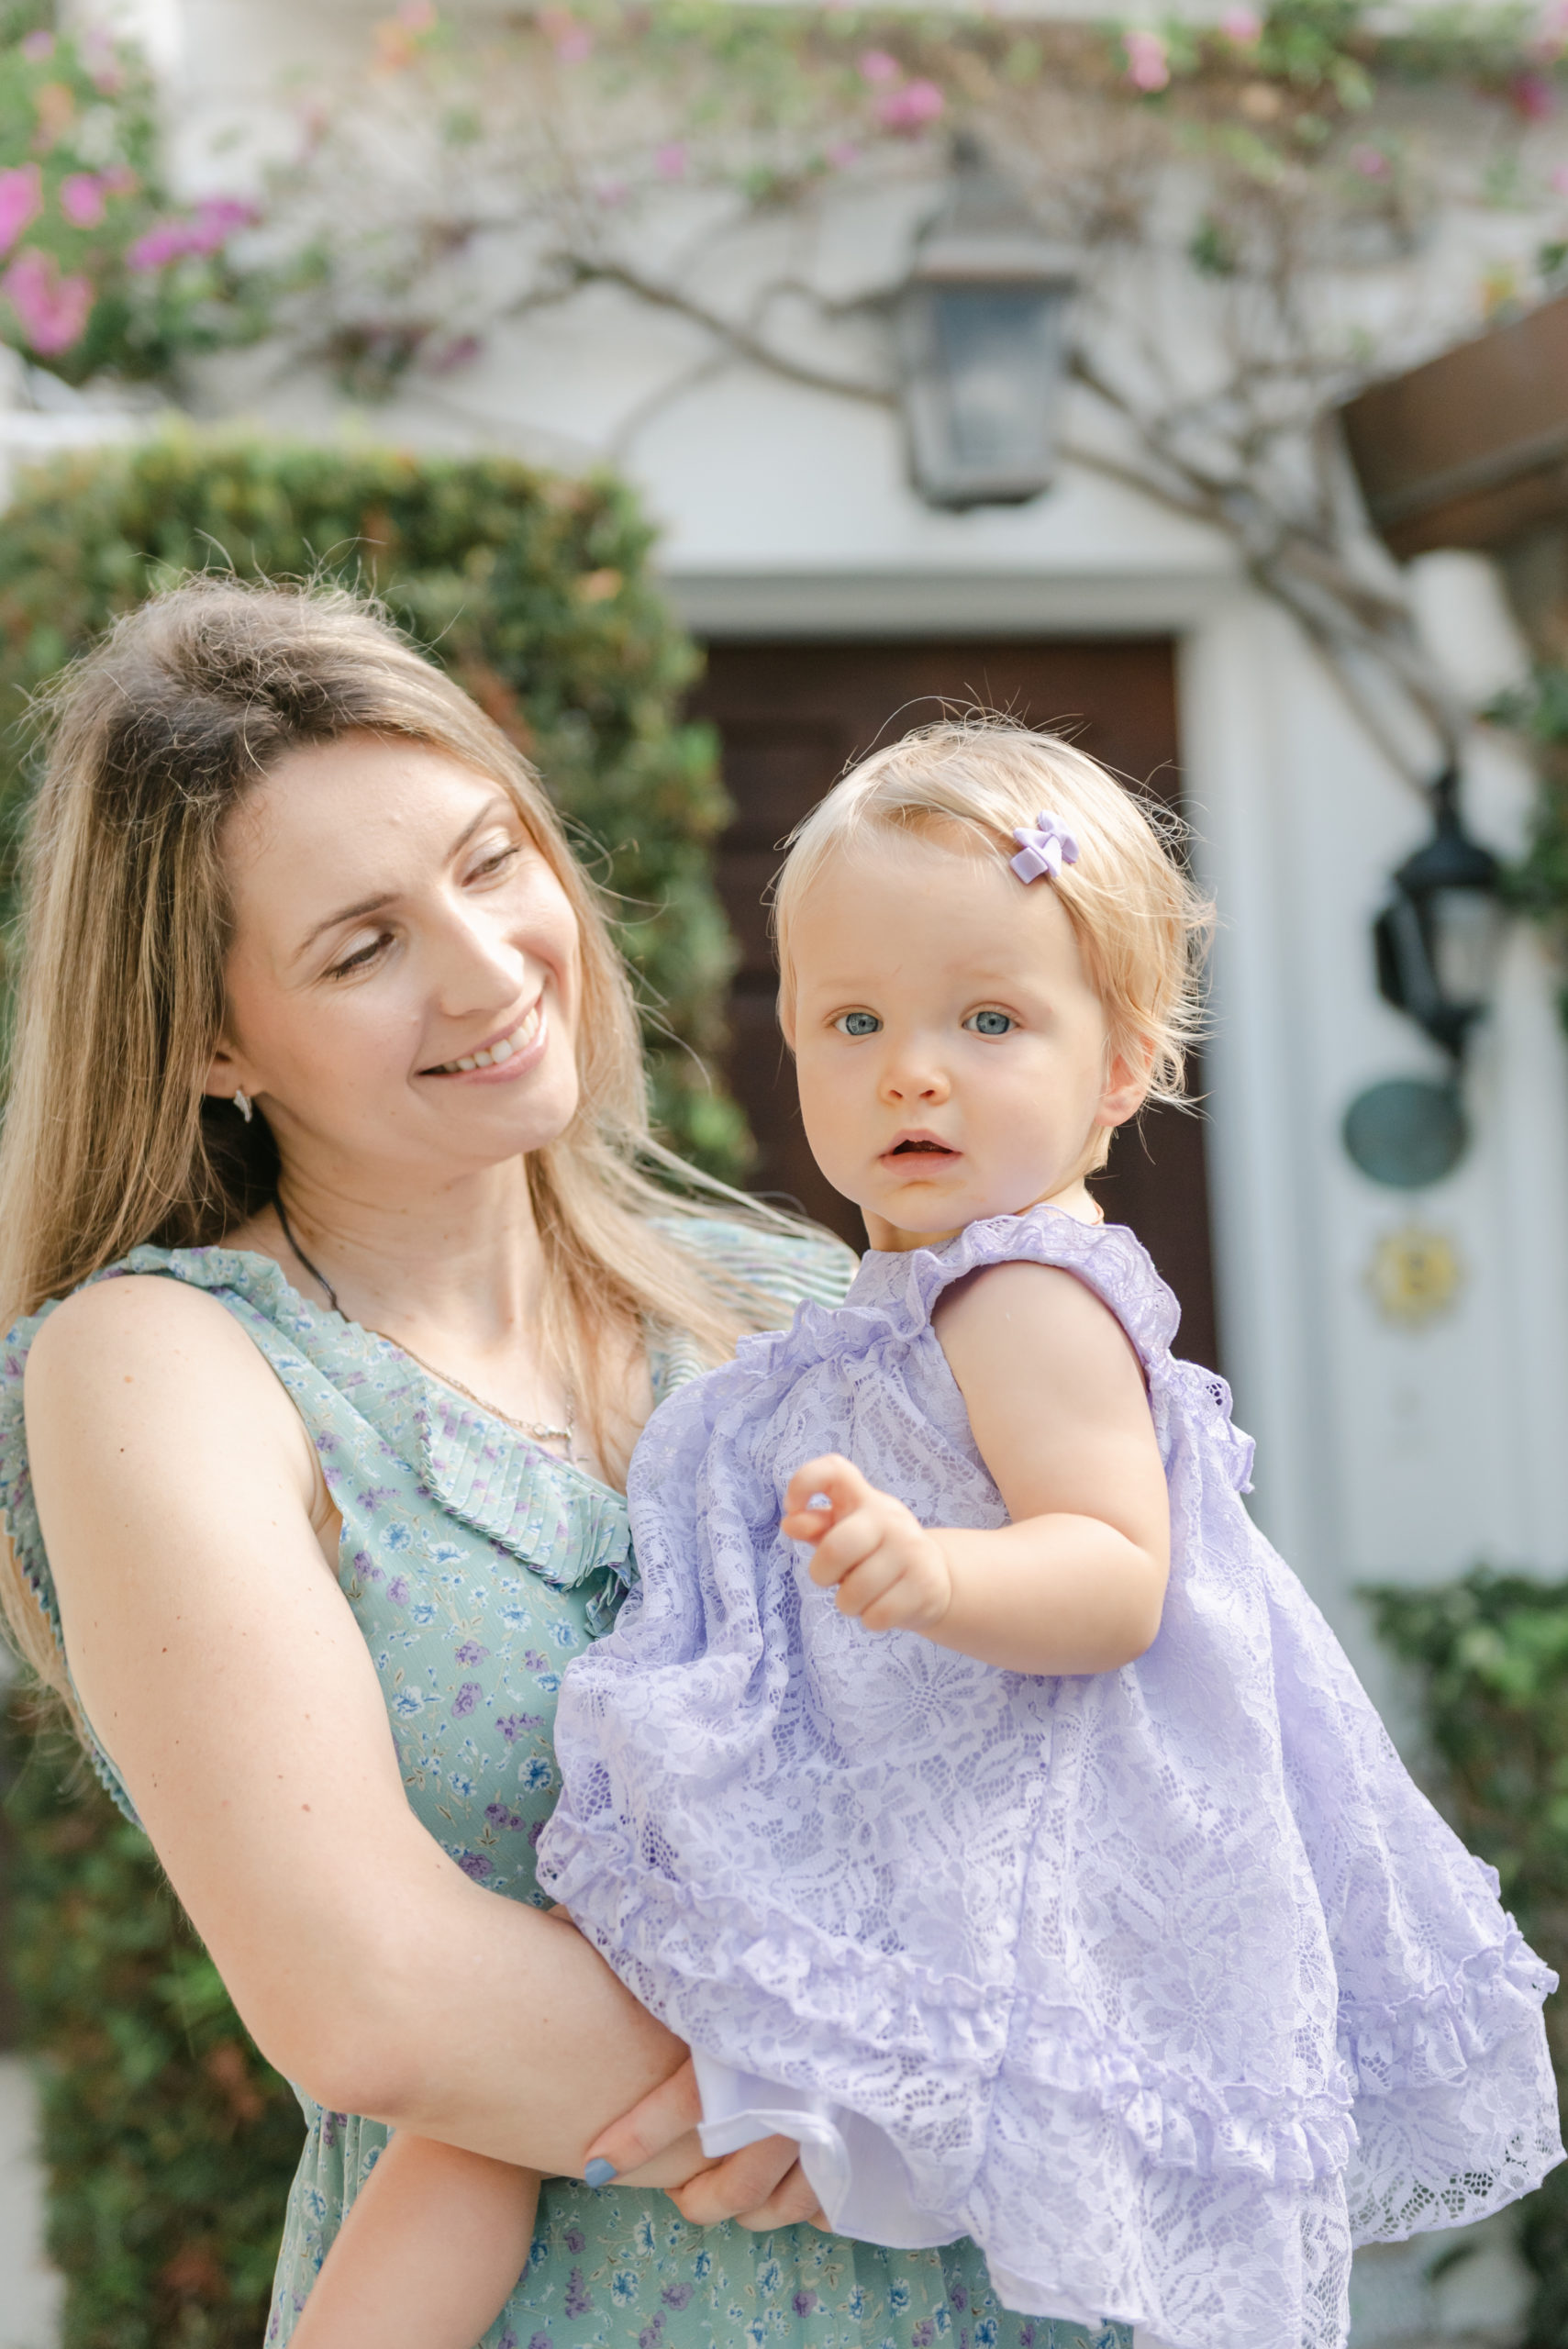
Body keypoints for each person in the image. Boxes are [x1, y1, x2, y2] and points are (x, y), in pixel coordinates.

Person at [299, 720, 1562, 2349]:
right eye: (853, 1020)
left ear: (1116, 1068)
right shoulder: (906, 1297)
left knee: (471, 2126)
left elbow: (1115, 1577)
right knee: (475, 2122)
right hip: (899, 1840)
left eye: (987, 1020)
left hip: (943, 1880)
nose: (911, 1067)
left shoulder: (1024, 1293)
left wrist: (931, 1571)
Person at [0, 584, 1106, 2349]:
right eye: (360, 948)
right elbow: (368, 1990)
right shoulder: (166, 1363)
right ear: (210, 1041)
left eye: (492, 861)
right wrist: (898, 2100)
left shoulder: (794, 1300)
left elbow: (1075, 1773)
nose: (489, 966)